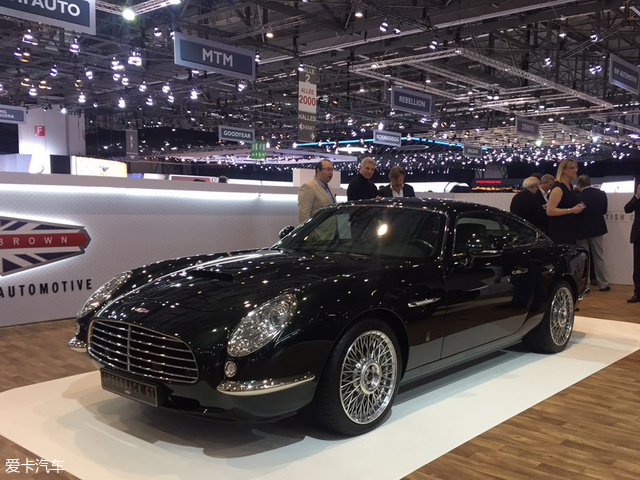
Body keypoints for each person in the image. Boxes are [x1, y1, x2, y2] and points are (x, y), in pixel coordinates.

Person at [576, 175, 610, 291]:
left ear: (579, 185)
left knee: (584, 258)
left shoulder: (577, 196)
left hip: (581, 230)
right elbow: (604, 211)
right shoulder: (601, 194)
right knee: (599, 257)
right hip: (597, 228)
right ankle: (603, 284)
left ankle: (585, 285)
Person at [545, 158, 585, 244]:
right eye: (572, 168)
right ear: (563, 170)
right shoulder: (558, 188)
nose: (575, 170)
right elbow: (550, 211)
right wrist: (571, 210)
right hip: (560, 229)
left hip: (570, 227)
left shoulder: (570, 187)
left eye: (576, 168)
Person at [297, 159, 335, 224]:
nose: (331, 172)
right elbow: (303, 214)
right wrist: (309, 230)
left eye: (332, 170)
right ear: (318, 170)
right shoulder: (308, 187)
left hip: (331, 228)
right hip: (318, 229)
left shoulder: (330, 189)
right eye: (328, 169)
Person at [624, 182, 640, 303]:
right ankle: (638, 293)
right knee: (638, 266)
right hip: (638, 236)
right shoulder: (637, 199)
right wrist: (637, 196)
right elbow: (627, 209)